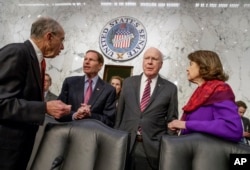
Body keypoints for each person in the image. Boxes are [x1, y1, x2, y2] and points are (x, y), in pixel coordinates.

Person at [0, 17, 71, 170]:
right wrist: (44, 108)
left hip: (18, 149)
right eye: (62, 40)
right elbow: (2, 103)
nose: (63, 47)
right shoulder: (17, 52)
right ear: (49, 37)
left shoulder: (35, 59)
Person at [115, 47, 178, 170]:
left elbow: (172, 121)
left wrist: (165, 147)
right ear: (143, 61)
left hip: (152, 149)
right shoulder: (128, 82)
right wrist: (116, 139)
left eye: (154, 59)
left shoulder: (170, 88)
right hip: (125, 145)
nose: (150, 62)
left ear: (161, 64)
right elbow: (119, 115)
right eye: (147, 58)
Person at [168, 50, 243, 143]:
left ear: (203, 66)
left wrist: (186, 124)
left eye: (191, 64)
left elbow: (232, 128)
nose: (187, 69)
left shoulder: (220, 89)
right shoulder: (200, 91)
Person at [57, 50, 117, 127]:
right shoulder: (70, 82)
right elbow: (59, 110)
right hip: (67, 130)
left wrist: (90, 115)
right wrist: (75, 115)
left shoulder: (108, 90)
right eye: (85, 59)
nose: (86, 62)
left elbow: (109, 121)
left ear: (100, 65)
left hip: (91, 134)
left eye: (91, 60)